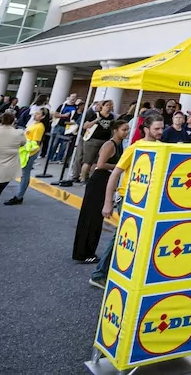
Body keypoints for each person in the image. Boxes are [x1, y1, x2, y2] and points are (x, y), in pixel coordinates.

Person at [92, 116, 164, 288]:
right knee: (122, 235)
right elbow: (115, 174)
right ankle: (99, 274)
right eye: (156, 129)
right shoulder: (135, 148)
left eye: (162, 128)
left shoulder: (162, 147)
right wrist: (108, 202)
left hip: (147, 199)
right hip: (128, 198)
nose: (160, 132)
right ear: (146, 129)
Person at [73, 119, 129, 264]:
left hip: (106, 181)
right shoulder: (109, 145)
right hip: (99, 182)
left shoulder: (119, 144)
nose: (126, 132)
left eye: (127, 129)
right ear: (115, 130)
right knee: (91, 218)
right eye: (124, 129)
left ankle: (87, 251)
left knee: (96, 220)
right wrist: (118, 166)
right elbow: (100, 164)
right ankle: (84, 252)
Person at [4, 105, 48, 206]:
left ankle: (19, 196)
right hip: (24, 151)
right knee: (22, 173)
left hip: (29, 152)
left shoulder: (39, 127)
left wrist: (29, 152)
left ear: (43, 117)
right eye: (36, 113)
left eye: (38, 114)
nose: (35, 115)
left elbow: (36, 143)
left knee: (25, 174)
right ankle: (19, 195)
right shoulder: (34, 123)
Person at [77, 99, 116, 185]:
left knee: (97, 161)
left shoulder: (111, 117)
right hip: (92, 140)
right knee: (88, 161)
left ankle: (92, 178)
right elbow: (85, 126)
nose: (109, 107)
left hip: (104, 140)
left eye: (110, 105)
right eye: (107, 105)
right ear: (102, 106)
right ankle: (83, 178)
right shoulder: (95, 115)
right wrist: (96, 120)